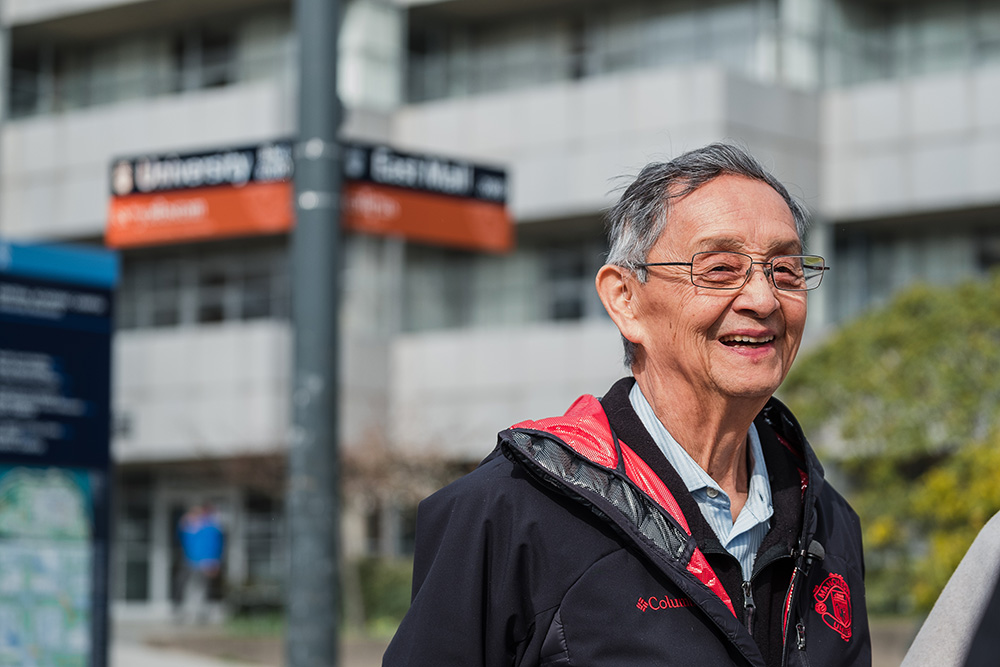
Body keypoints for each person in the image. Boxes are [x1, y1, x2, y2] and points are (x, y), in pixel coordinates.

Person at [383, 143, 871, 667]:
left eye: (786, 270)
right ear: (625, 299)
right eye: (720, 268)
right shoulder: (508, 512)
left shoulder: (827, 520)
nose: (763, 299)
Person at [177, 503, 224, 624]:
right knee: (190, 588)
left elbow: (214, 546)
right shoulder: (189, 529)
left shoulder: (210, 528)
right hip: (191, 562)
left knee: (203, 589)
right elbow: (182, 540)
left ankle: (200, 615)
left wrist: (213, 562)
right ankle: (189, 614)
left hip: (205, 563)